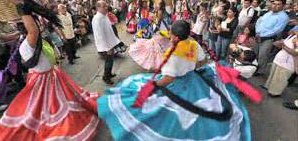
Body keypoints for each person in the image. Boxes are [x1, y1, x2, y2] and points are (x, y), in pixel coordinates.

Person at [98, 21, 251, 141]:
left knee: (159, 109)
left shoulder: (173, 55)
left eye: (170, 32)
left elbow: (169, 78)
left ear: (174, 36)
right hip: (194, 79)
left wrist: (154, 84)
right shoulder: (193, 43)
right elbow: (203, 61)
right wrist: (190, 67)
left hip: (177, 84)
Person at [0, 0, 100, 140]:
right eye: (34, 25)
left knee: (55, 105)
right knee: (43, 110)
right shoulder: (27, 44)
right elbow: (34, 30)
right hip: (42, 81)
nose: (39, 28)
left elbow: (38, 36)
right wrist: (22, 8)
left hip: (51, 76)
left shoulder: (36, 42)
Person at [255, 0, 289, 75]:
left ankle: (259, 71)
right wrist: (257, 32)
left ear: (283, 6)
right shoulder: (269, 13)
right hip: (258, 35)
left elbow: (277, 30)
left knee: (263, 55)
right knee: (256, 52)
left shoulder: (283, 17)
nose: (275, 6)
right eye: (274, 4)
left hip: (268, 39)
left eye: (278, 4)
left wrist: (262, 36)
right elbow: (259, 21)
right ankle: (253, 67)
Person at [92, 0, 121, 85]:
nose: (106, 8)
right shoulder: (97, 19)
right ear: (98, 8)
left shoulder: (104, 16)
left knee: (111, 60)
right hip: (104, 46)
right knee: (108, 61)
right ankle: (106, 77)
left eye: (106, 6)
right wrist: (107, 48)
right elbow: (100, 35)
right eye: (103, 6)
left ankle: (109, 74)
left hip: (109, 43)